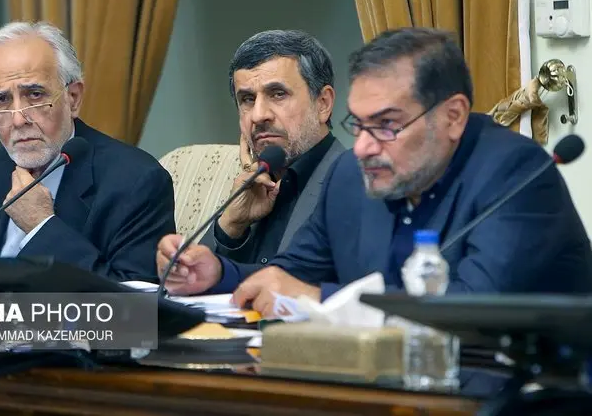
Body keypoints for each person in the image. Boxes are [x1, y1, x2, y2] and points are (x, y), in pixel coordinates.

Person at [157, 27, 592, 315]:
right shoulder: (351, 176)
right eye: (359, 124)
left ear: (453, 116)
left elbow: (474, 311)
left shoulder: (516, 174)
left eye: (385, 125)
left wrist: (319, 299)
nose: (363, 147)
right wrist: (218, 273)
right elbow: (290, 276)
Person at [0, 21, 175, 282]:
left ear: (73, 98)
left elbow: (134, 302)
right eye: (1, 100)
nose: (18, 120)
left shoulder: (136, 182)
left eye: (35, 94)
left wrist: (41, 226)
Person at [159, 30, 345, 279]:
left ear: (323, 103)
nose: (258, 115)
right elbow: (191, 282)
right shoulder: (251, 182)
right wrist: (230, 225)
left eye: (278, 94)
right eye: (247, 99)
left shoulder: (354, 181)